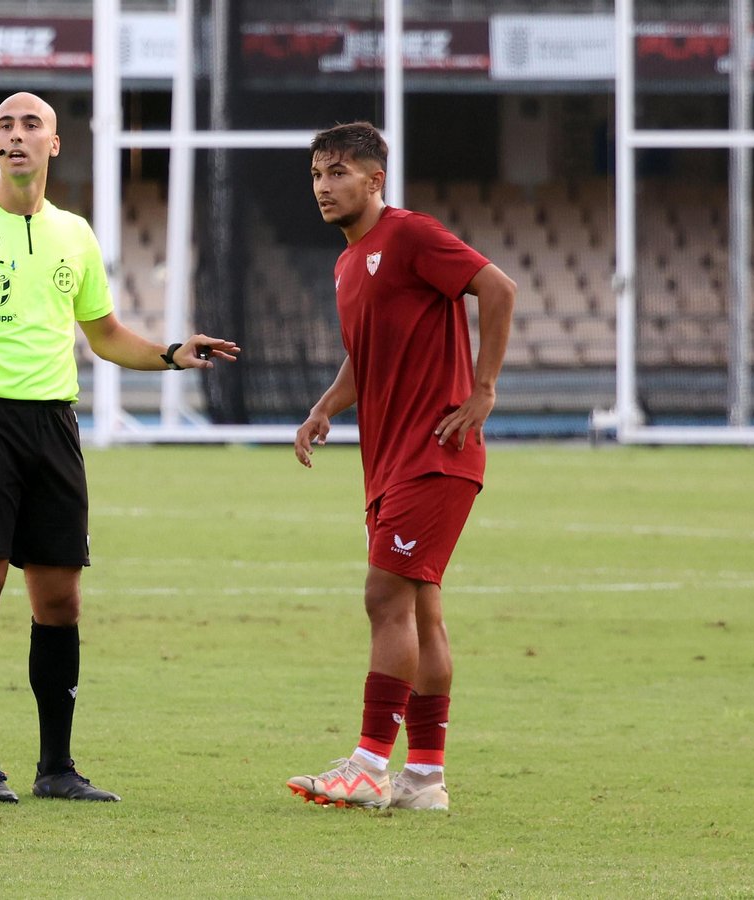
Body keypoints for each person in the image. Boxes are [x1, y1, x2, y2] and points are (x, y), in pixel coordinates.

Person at [0, 92, 241, 804]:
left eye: (31, 126)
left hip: (54, 426)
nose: (18, 137)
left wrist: (171, 352)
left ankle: (56, 768)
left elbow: (104, 335)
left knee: (61, 599)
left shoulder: (76, 234)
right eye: (6, 127)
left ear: (53, 145)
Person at [285, 122, 516, 811]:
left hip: (434, 454)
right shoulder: (349, 262)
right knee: (422, 612)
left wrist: (483, 389)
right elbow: (369, 350)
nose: (325, 187)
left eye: (338, 173)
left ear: (374, 179)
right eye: (318, 175)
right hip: (390, 461)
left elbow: (498, 289)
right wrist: (327, 404)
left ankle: (366, 764)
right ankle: (423, 780)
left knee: (384, 598)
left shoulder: (410, 235)